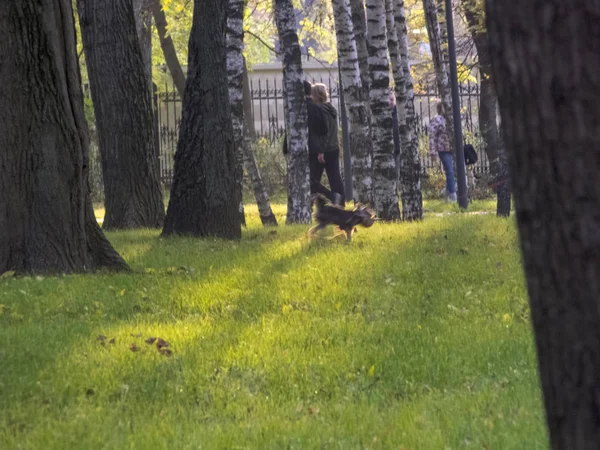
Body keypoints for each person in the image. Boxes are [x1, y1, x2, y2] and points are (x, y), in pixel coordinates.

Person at [310, 83, 345, 206]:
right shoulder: (331, 109)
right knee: (335, 178)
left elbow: (324, 132)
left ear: (315, 95)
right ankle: (340, 203)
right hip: (334, 148)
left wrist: (321, 151)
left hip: (324, 150)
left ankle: (329, 197)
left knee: (312, 180)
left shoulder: (320, 111)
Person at [429, 101, 457, 203]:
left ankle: (447, 190)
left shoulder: (452, 119)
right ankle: (453, 195)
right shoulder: (437, 120)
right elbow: (432, 137)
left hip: (454, 149)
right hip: (443, 149)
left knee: (454, 171)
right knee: (449, 170)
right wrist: (433, 152)